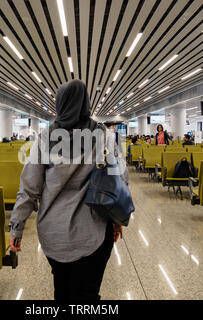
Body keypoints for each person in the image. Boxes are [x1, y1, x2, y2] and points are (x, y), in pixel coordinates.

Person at [9, 80, 128, 301]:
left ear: (60, 103)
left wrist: (16, 227)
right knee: (89, 294)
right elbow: (120, 180)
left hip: (54, 235)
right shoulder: (103, 135)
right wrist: (118, 219)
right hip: (95, 232)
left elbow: (29, 188)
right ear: (86, 103)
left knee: (62, 291)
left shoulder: (45, 138)